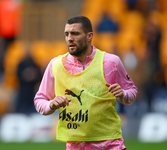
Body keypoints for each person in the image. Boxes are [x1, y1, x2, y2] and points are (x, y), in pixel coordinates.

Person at [34, 16, 137, 150]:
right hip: (76, 146)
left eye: (75, 33)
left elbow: (132, 91)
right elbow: (40, 100)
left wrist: (123, 94)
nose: (69, 38)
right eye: (67, 34)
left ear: (89, 36)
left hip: (111, 144)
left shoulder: (111, 62)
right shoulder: (56, 65)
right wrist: (51, 104)